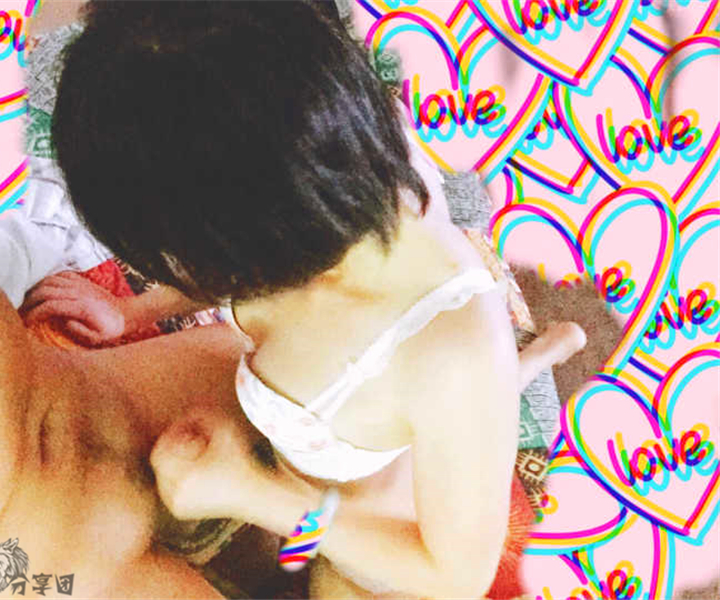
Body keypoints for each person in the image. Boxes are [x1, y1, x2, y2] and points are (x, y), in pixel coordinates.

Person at [48, 2, 586, 597]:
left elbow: (455, 577)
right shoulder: (311, 174)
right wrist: (133, 311)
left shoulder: (450, 349)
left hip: (375, 531)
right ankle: (523, 370)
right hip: (340, 427)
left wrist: (253, 493)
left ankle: (515, 375)